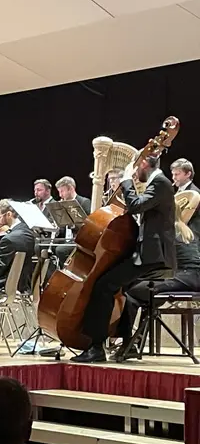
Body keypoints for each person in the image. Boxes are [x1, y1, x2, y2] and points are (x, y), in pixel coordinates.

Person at [73, 155, 176, 363]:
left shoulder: (160, 183)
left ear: (144, 164)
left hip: (153, 255)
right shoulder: (158, 184)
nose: (135, 174)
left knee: (103, 285)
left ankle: (96, 348)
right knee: (120, 288)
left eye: (136, 169)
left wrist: (127, 181)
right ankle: (127, 343)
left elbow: (137, 205)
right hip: (148, 253)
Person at [122, 197, 200, 351]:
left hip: (183, 276)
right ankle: (136, 341)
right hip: (193, 277)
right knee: (145, 293)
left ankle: (129, 342)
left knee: (131, 292)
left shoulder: (167, 231)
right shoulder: (185, 229)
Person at [0, 200, 36, 293]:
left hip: (5, 286)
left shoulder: (8, 239)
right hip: (23, 284)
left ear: (9, 214)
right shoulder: (28, 232)